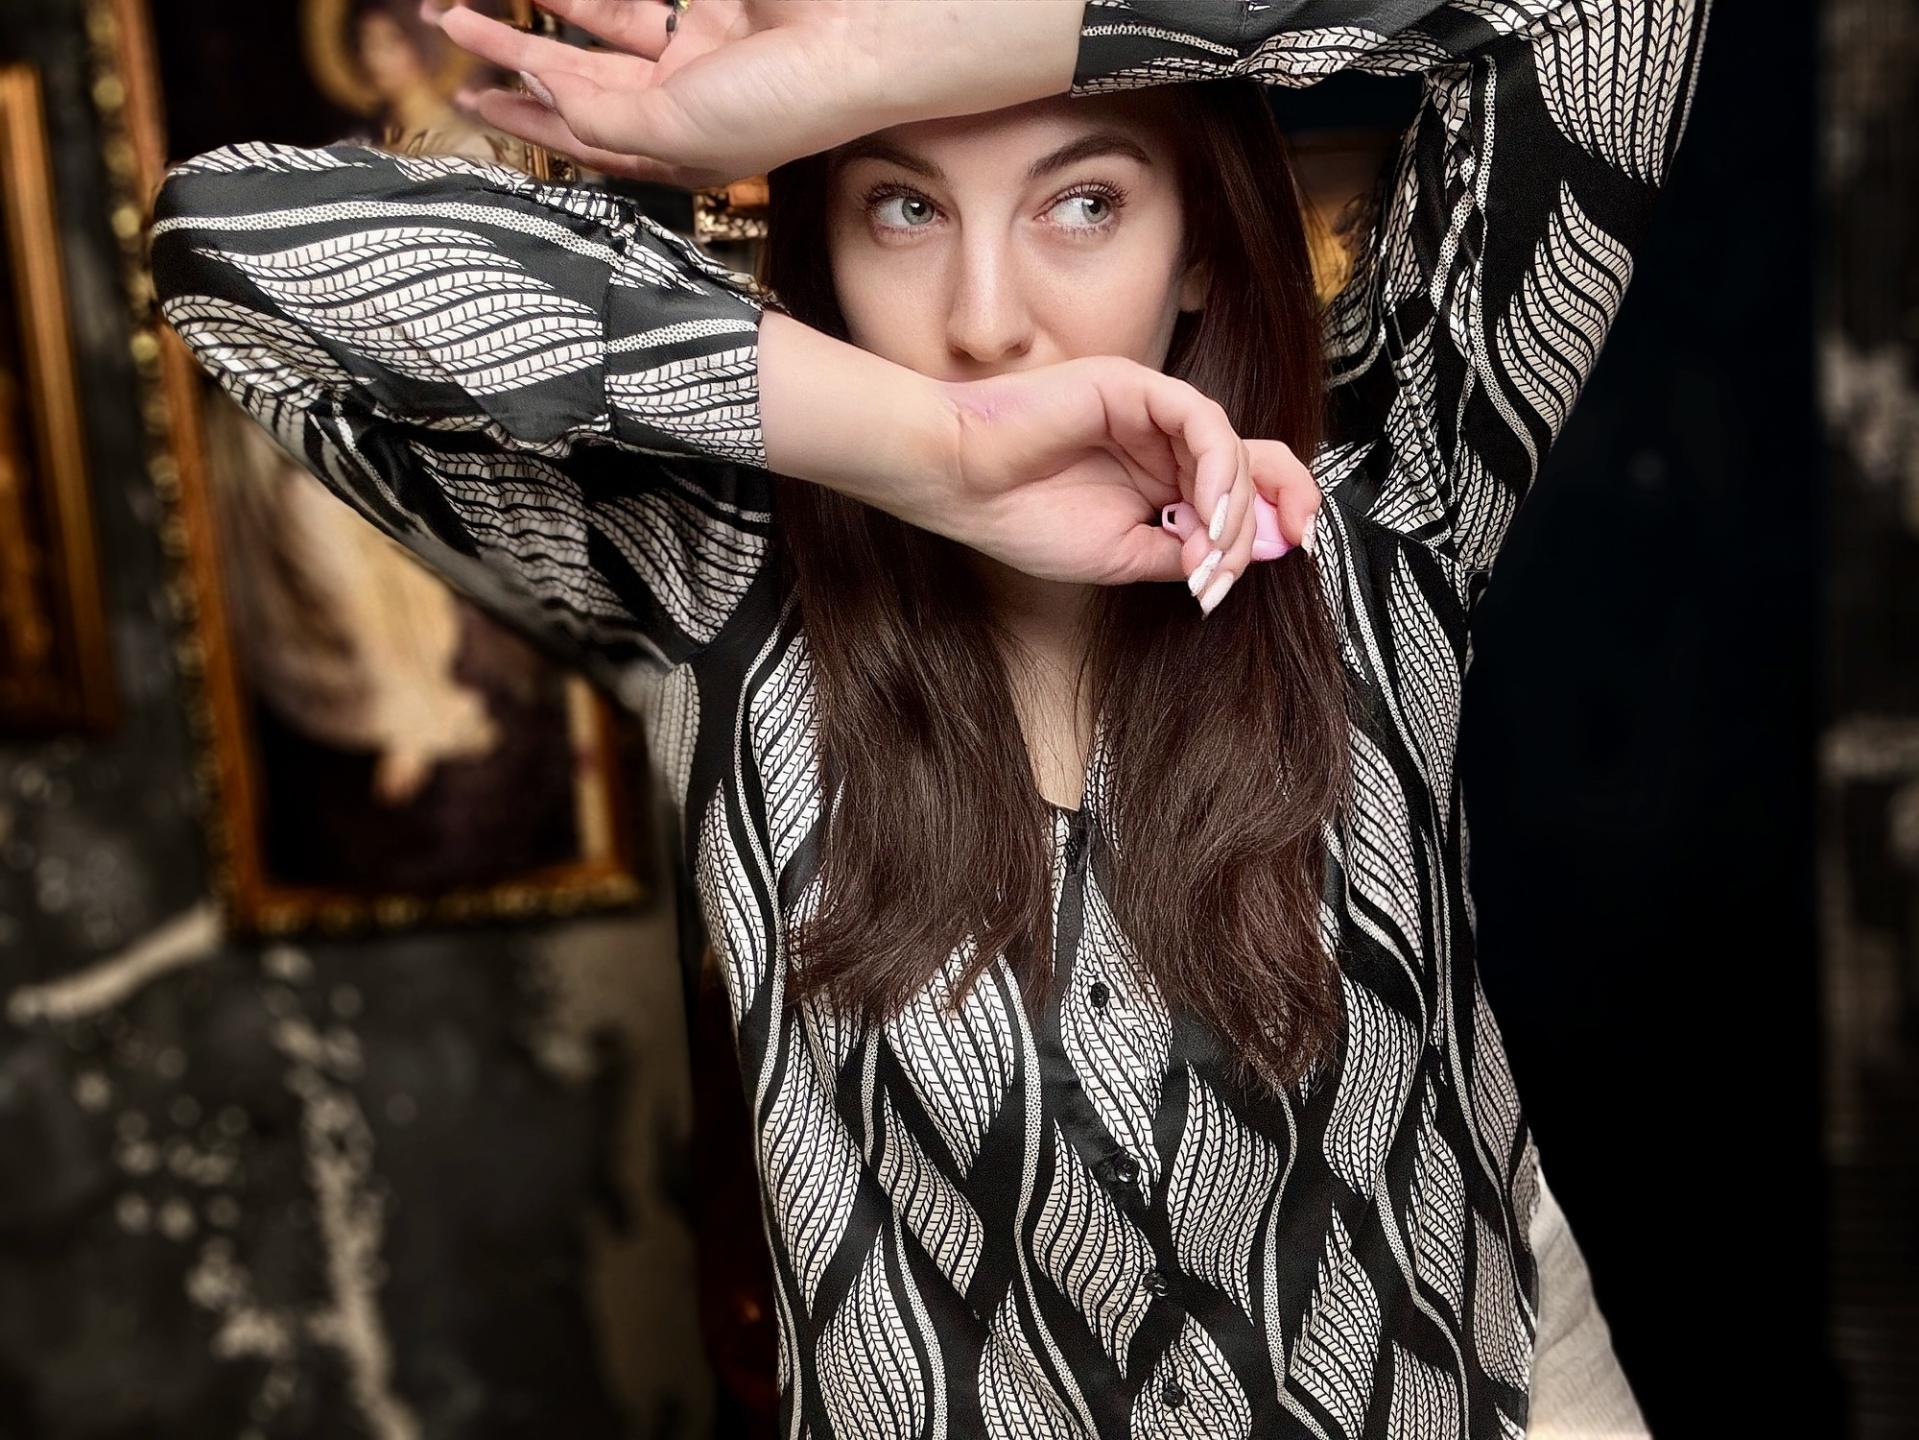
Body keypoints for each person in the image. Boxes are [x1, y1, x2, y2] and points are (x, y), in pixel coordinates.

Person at [146, 1, 1712, 1434]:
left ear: (1200, 247)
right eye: (901, 207)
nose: (985, 320)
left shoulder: (1380, 500)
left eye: (1083, 203)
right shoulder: (704, 579)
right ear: (823, 250)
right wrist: (931, 449)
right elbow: (226, 243)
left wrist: (892, 55)